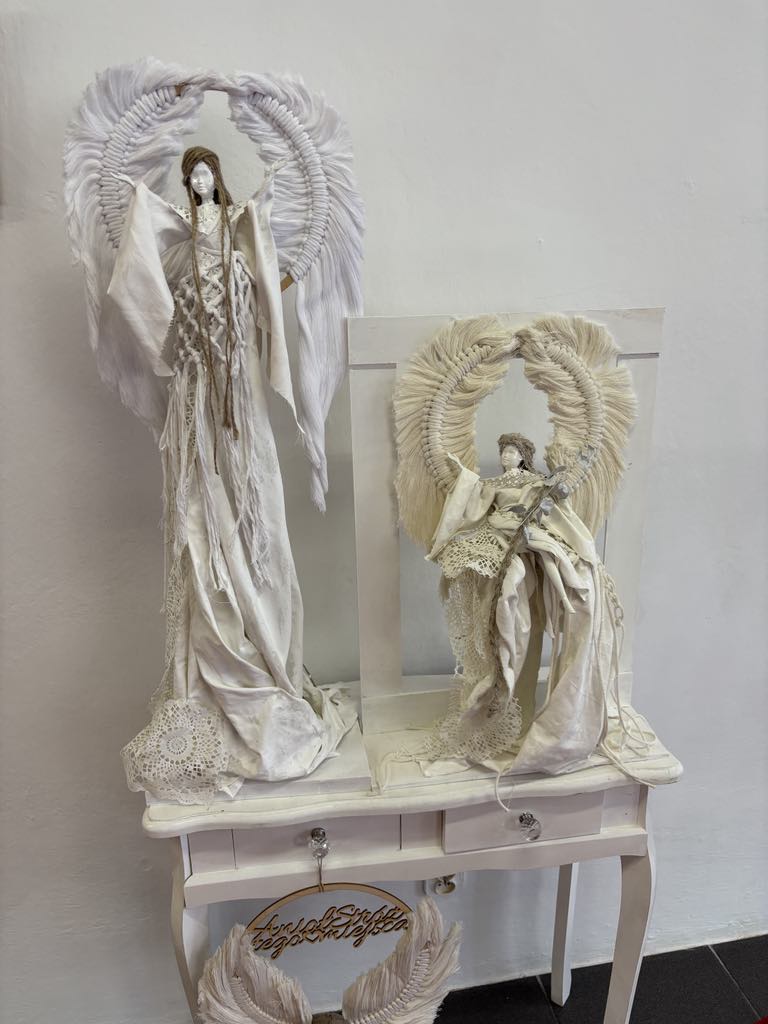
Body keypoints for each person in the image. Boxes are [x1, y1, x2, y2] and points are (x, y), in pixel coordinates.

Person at [105, 147, 353, 802]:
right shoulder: (179, 251)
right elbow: (147, 298)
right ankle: (214, 678)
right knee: (201, 526)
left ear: (219, 179)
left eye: (207, 174)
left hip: (241, 406)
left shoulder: (244, 240)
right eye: (192, 177)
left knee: (255, 515)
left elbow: (263, 290)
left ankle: (265, 660)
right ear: (187, 187)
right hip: (196, 407)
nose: (200, 183)